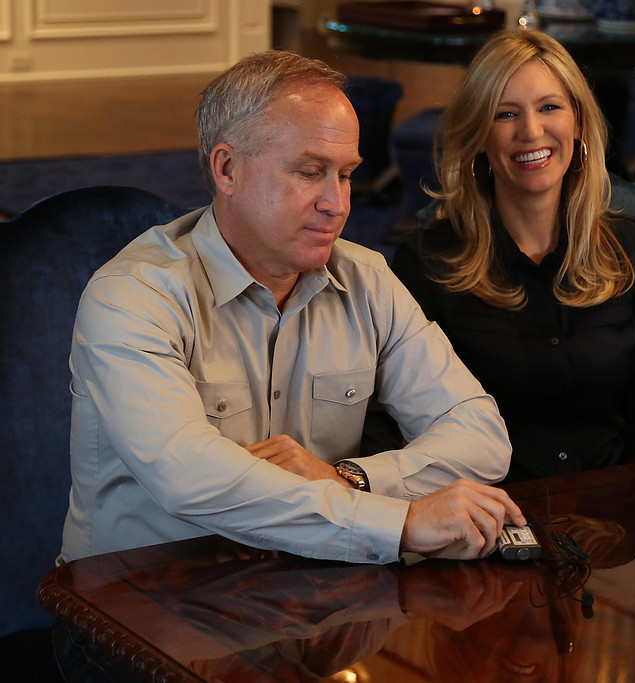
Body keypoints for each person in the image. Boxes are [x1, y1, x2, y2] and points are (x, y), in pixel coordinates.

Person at [60, 50, 525, 566]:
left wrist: (351, 479)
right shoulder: (133, 296)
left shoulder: (367, 280)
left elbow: (481, 433)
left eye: (346, 174)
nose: (338, 203)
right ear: (228, 168)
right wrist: (402, 522)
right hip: (140, 607)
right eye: (309, 172)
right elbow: (188, 478)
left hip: (306, 597)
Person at [390, 30, 635, 481]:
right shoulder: (427, 262)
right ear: (479, 136)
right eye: (505, 114)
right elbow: (407, 424)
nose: (531, 131)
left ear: (579, 123)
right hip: (486, 516)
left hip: (613, 517)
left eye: (550, 107)